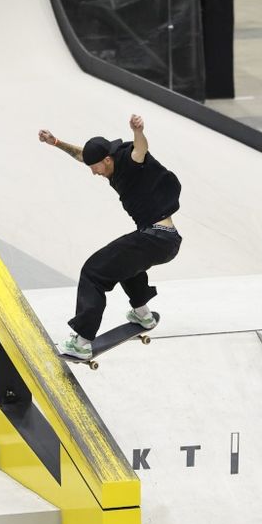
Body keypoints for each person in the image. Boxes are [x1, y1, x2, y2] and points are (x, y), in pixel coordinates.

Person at [38, 115, 182, 360]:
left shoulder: (130, 160)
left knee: (94, 272)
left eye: (96, 168)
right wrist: (56, 142)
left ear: (107, 159)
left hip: (156, 237)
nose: (94, 173)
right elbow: (83, 155)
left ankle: (82, 341)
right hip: (163, 240)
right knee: (125, 266)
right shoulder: (107, 164)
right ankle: (142, 314)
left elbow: (141, 149)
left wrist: (138, 130)